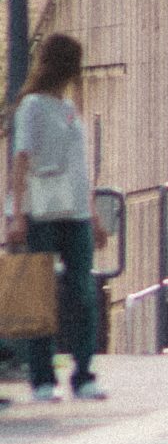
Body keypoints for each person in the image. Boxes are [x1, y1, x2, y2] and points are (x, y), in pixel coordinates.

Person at [7, 32, 106, 401]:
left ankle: (83, 373)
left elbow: (81, 168)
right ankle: (42, 377)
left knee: (82, 292)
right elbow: (20, 160)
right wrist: (18, 215)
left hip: (75, 211)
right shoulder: (32, 105)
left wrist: (93, 215)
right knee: (39, 292)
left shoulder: (68, 107)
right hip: (41, 211)